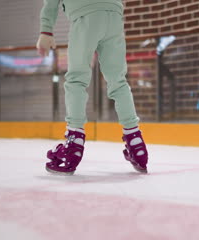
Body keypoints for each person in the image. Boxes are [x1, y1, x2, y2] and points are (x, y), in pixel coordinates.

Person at [36, 0, 148, 175]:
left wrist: (46, 30)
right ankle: (136, 143)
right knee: (118, 81)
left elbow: (51, 3)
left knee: (76, 80)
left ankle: (74, 144)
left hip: (85, 14)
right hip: (114, 15)